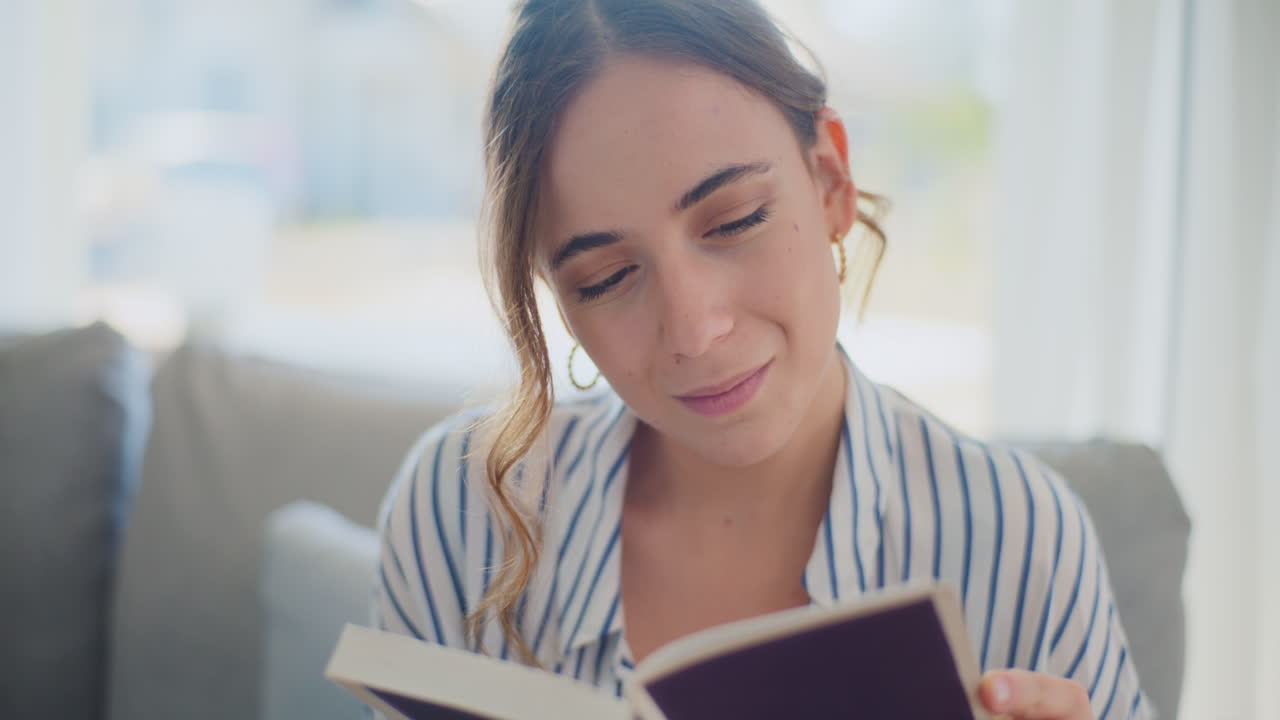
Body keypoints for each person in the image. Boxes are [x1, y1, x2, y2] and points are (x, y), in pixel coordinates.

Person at [371, 1, 1151, 718]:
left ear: (831, 185)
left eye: (736, 220)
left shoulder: (1022, 542)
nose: (694, 330)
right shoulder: (462, 518)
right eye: (605, 279)